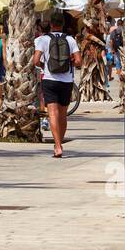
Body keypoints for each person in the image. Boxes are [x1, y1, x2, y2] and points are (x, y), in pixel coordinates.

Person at [32, 11, 81, 158]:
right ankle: (59, 143)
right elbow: (79, 61)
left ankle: (58, 146)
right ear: (63, 24)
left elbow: (35, 61)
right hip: (66, 81)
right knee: (63, 115)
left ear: (51, 24)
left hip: (50, 80)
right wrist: (69, 62)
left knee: (52, 113)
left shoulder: (43, 39)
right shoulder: (71, 39)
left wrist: (44, 65)